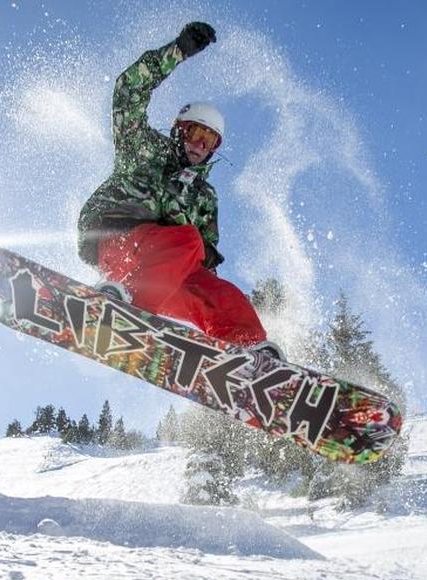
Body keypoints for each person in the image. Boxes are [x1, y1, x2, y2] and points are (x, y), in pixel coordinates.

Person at [76, 22, 282, 359]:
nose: (200, 145)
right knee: (187, 239)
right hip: (120, 245)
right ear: (178, 129)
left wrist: (217, 301)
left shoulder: (204, 196)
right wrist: (179, 50)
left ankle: (249, 355)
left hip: (163, 280)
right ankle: (128, 310)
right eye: (195, 133)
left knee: (223, 293)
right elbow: (128, 90)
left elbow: (202, 265)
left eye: (210, 140)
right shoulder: (142, 148)